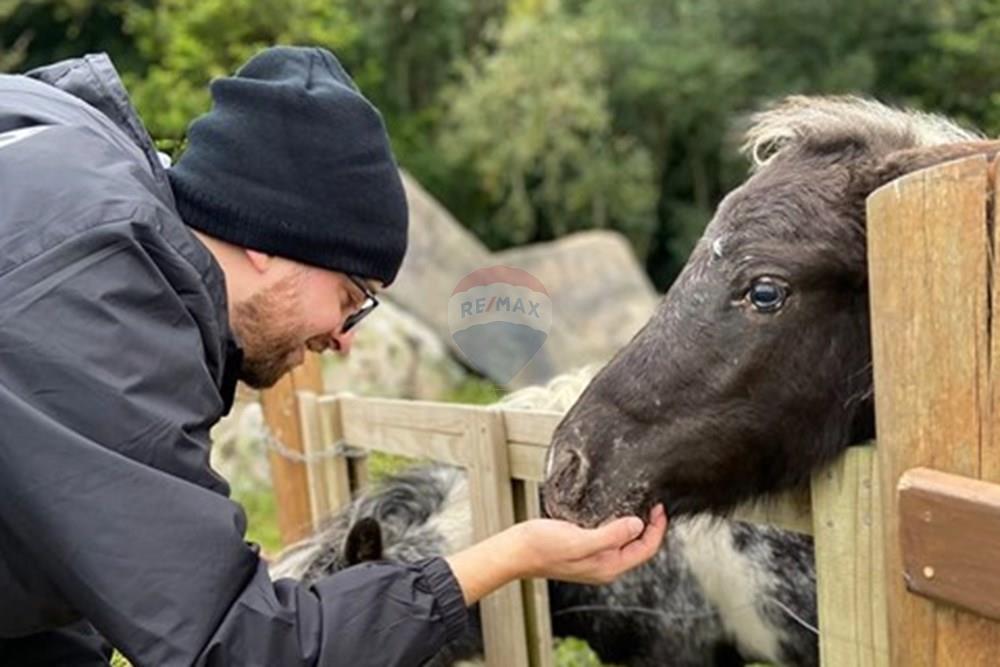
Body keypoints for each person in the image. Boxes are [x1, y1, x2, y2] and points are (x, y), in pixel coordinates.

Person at [0, 46, 667, 666]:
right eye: (351, 295)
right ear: (266, 237)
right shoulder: (106, 301)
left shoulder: (68, 164)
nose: (345, 337)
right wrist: (512, 551)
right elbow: (239, 643)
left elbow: (49, 556)